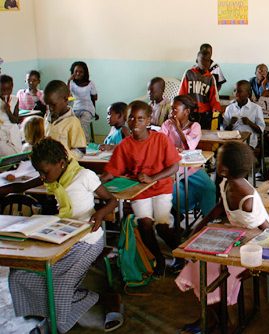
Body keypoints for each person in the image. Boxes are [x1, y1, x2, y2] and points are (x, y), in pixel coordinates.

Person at [9, 138, 121, 333]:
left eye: (45, 172)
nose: (42, 177)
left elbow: (112, 200)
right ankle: (58, 311)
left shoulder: (84, 176)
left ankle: (64, 315)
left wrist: (101, 213)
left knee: (59, 286)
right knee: (19, 275)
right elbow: (25, 186)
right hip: (64, 237)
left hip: (88, 240)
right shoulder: (54, 179)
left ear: (61, 163)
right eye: (39, 172)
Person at [176, 141, 269, 333]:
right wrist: (196, 230)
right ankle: (213, 317)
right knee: (196, 262)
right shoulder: (225, 183)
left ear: (225, 169)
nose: (215, 161)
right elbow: (219, 208)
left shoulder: (248, 199)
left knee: (211, 274)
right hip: (232, 236)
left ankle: (224, 321)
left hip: (250, 248)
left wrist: (254, 266)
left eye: (218, 159)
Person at [101, 100, 181, 275]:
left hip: (160, 187)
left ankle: (181, 256)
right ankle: (159, 259)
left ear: (148, 120)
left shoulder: (160, 139)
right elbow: (112, 171)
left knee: (162, 226)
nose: (135, 123)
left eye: (140, 119)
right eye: (131, 118)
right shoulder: (125, 145)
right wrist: (95, 181)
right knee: (145, 224)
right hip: (139, 190)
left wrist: (152, 178)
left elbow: (174, 166)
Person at [160, 94, 217, 217]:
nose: (171, 113)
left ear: (186, 112)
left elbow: (190, 146)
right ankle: (185, 208)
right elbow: (161, 143)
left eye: (175, 109)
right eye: (171, 109)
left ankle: (209, 219)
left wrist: (178, 128)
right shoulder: (167, 124)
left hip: (191, 168)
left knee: (209, 188)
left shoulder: (195, 126)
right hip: (173, 169)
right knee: (173, 191)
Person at [179, 50, 221, 129]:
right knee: (190, 132)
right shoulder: (189, 73)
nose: (205, 63)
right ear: (197, 61)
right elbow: (182, 94)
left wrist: (216, 110)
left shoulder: (210, 78)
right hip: (190, 112)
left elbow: (214, 97)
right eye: (203, 60)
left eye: (208, 61)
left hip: (205, 114)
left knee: (204, 133)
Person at [43, 80, 87, 151]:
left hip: (65, 158)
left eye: (53, 105)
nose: (50, 108)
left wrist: (64, 156)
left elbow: (80, 151)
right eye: (47, 105)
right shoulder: (47, 117)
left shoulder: (73, 122)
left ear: (66, 100)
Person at [223, 80, 265, 149]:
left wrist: (249, 123)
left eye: (239, 91)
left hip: (249, 143)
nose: (236, 94)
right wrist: (231, 124)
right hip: (232, 142)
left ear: (248, 93)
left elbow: (260, 131)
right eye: (235, 90)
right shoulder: (229, 108)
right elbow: (225, 131)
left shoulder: (256, 108)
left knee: (240, 152)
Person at [68, 61, 98, 142]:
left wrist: (95, 112)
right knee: (71, 123)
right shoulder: (71, 83)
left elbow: (94, 98)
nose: (78, 73)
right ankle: (75, 143)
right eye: (76, 71)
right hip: (76, 109)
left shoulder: (90, 84)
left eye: (81, 72)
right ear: (72, 73)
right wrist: (69, 81)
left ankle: (85, 143)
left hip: (88, 109)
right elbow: (67, 96)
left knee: (83, 124)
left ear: (85, 73)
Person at [0, 74, 21, 156]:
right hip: (1, 132)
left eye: (8, 89)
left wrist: (8, 111)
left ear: (12, 87)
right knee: (5, 154)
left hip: (13, 131)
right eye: (2, 90)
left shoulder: (15, 99)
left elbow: (15, 120)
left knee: (17, 153)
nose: (5, 92)